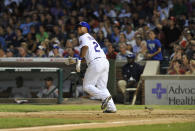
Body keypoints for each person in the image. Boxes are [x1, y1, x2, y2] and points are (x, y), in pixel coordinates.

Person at [76, 21, 117, 113]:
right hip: (104, 61)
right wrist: (78, 60)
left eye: (81, 27)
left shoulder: (83, 36)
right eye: (78, 27)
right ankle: (111, 107)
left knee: (87, 86)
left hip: (96, 63)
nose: (78, 28)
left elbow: (84, 48)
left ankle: (104, 97)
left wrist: (78, 60)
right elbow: (86, 56)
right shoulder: (91, 38)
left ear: (86, 29)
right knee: (102, 87)